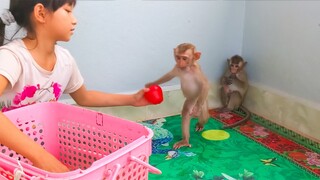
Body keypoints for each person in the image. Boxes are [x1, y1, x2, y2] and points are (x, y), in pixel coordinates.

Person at [0, 0, 150, 173]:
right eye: (68, 11)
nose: (74, 20)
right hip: (7, 157)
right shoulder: (12, 57)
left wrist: (132, 99)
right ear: (41, 13)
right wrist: (41, 157)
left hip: (38, 152)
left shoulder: (65, 60)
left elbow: (84, 96)